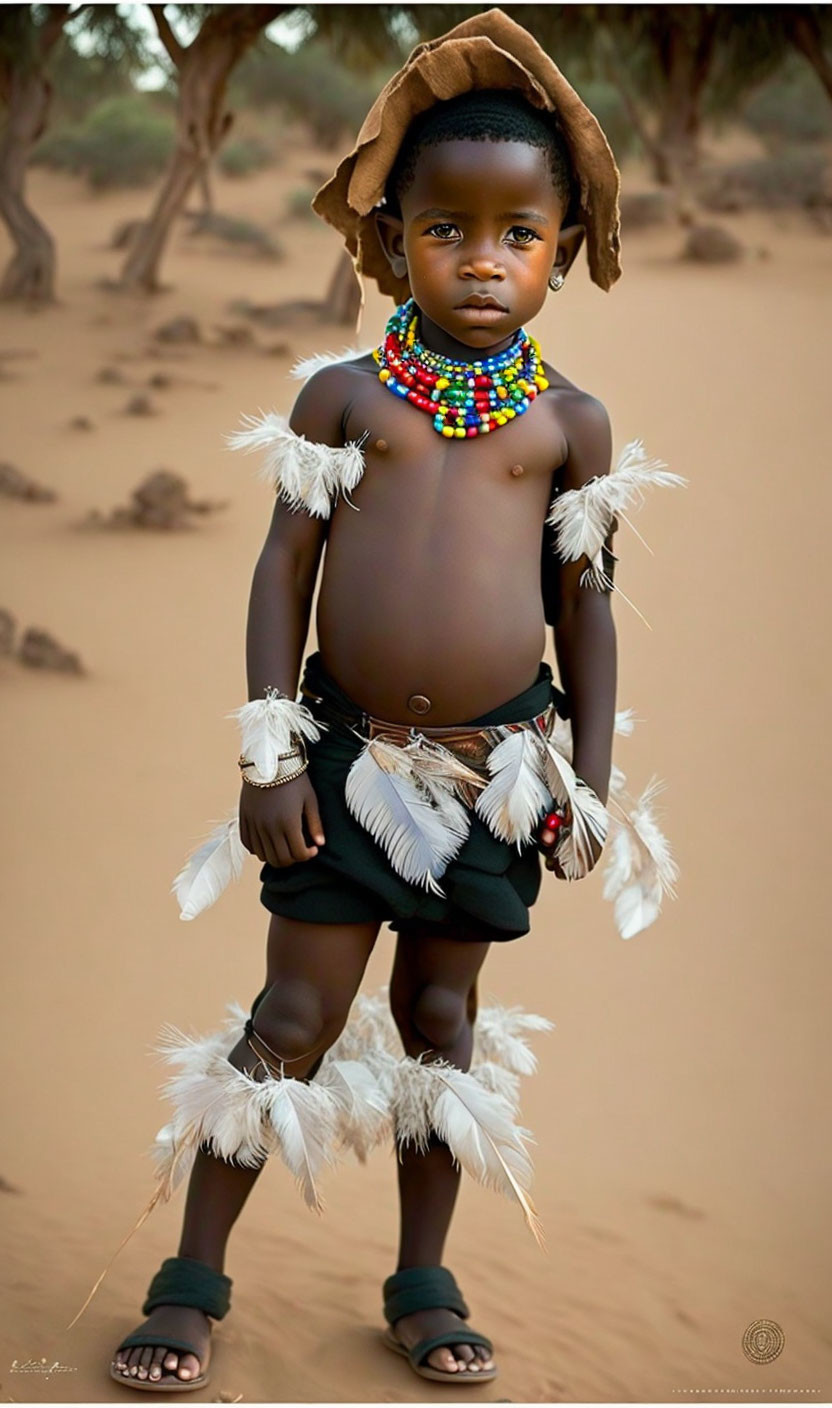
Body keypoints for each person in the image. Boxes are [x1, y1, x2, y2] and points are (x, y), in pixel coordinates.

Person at [106, 8, 682, 1393]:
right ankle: (191, 1281)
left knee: (443, 1026)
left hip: (499, 780)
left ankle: (424, 1280)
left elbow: (585, 611)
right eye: (447, 231)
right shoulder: (342, 400)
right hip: (341, 765)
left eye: (519, 235)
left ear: (566, 249)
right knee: (290, 1026)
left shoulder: (571, 426)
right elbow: (281, 573)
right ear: (394, 240)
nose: (483, 261)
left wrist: (583, 783)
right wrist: (267, 754)